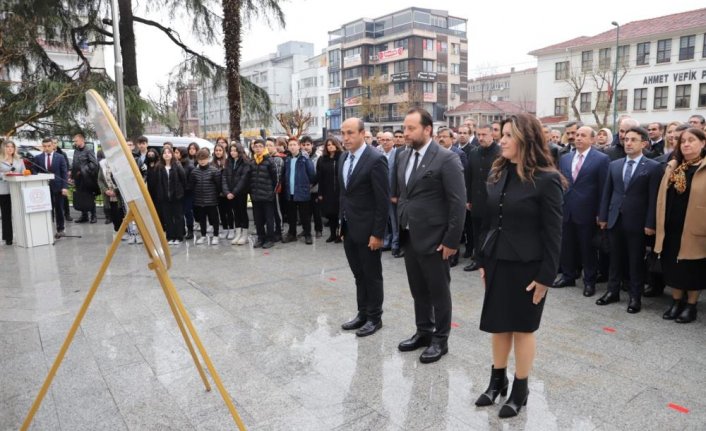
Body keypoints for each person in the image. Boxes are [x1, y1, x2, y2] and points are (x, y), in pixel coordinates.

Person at [474, 113, 563, 419]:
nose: (502, 140)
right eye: (502, 134)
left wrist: (546, 278)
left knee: (523, 329)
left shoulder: (547, 179)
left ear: (526, 139)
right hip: (498, 260)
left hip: (529, 268)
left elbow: (554, 234)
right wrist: (484, 260)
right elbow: (489, 222)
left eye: (509, 135)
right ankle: (497, 381)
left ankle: (520, 390)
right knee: (498, 325)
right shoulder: (499, 173)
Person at [396, 108, 466, 364]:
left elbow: (458, 203)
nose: (406, 133)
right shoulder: (403, 156)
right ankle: (423, 331)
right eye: (405, 128)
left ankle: (440, 339)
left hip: (436, 239)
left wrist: (451, 241)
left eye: (411, 128)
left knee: (439, 291)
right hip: (409, 235)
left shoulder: (446, 159)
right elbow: (404, 194)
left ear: (428, 130)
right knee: (418, 290)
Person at [596, 127, 661, 313]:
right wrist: (603, 217)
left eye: (633, 139)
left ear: (644, 144)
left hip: (637, 222)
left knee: (635, 261)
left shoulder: (652, 167)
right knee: (614, 258)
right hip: (615, 219)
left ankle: (635, 297)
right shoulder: (614, 165)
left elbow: (653, 198)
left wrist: (650, 223)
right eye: (626, 139)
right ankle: (612, 291)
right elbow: (607, 193)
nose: (628, 143)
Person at [338, 118, 390, 337]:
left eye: (350, 133)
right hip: (350, 228)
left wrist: (378, 234)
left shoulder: (376, 159)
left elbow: (382, 201)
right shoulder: (343, 157)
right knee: (358, 274)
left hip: (369, 231)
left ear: (362, 133)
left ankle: (375, 317)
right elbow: (345, 194)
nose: (346, 138)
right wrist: (342, 224)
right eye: (343, 133)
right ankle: (362, 313)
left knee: (372, 275)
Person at [654, 128, 706, 324]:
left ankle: (691, 306)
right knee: (673, 265)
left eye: (691, 140)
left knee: (693, 268)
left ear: (703, 143)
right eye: (683, 141)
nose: (685, 144)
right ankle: (676, 302)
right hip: (672, 227)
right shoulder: (674, 167)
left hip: (696, 229)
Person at [554, 126, 610, 297]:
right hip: (567, 209)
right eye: (577, 135)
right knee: (567, 246)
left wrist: (601, 214)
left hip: (588, 211)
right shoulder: (565, 158)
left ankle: (589, 281)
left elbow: (604, 188)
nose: (578, 138)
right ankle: (568, 275)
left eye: (583, 135)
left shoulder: (601, 159)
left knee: (587, 249)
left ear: (592, 140)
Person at [465, 124, 500, 272]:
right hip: (476, 201)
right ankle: (478, 260)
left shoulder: (500, 153)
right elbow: (469, 177)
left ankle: (492, 260)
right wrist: (468, 199)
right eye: (478, 135)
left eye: (484, 135)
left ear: (492, 135)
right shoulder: (473, 152)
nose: (481, 138)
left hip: (494, 201)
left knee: (493, 232)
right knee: (477, 231)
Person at [437, 127, 467, 268]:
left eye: (445, 136)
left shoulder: (458, 154)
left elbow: (463, 176)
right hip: (440, 198)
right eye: (439, 136)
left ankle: (454, 256)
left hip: (453, 196)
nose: (441, 139)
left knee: (454, 225)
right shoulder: (435, 153)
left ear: (452, 139)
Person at [281, 137, 316, 245]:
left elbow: (312, 175)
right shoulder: (287, 159)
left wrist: (307, 186)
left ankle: (307, 234)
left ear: (299, 146)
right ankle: (292, 234)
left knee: (304, 215)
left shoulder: (304, 158)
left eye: (294, 145)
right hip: (289, 192)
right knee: (291, 216)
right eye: (290, 145)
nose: (292, 147)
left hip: (302, 192)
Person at [34, 138, 69, 238]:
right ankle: (48, 229)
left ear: (53, 146)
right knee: (47, 209)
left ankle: (60, 229)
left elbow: (64, 173)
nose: (47, 148)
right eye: (44, 146)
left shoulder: (60, 157)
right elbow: (34, 170)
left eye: (49, 146)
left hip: (58, 187)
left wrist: (64, 187)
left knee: (59, 208)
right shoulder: (38, 158)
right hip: (43, 187)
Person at [153, 147, 186, 245]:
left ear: (172, 154)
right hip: (164, 197)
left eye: (169, 152)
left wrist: (180, 192)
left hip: (176, 196)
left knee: (178, 217)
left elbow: (183, 180)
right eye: (164, 153)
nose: (166, 154)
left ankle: (179, 237)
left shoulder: (177, 165)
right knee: (167, 217)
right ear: (162, 155)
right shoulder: (158, 167)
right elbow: (156, 182)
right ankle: (170, 236)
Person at [249, 139, 278, 248]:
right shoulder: (252, 162)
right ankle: (261, 238)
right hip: (256, 196)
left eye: (260, 146)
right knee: (258, 219)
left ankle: (270, 239)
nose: (258, 148)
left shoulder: (270, 161)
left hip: (267, 196)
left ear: (264, 148)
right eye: (256, 146)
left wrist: (272, 192)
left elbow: (276, 179)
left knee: (269, 218)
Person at [0, 140, 29, 245]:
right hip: (4, 191)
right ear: (3, 148)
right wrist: (4, 174)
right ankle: (8, 238)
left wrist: (26, 173)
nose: (10, 149)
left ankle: (22, 236)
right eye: (7, 147)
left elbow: (24, 171)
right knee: (6, 215)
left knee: (19, 213)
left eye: (12, 147)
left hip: (17, 190)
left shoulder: (19, 160)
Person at [190, 149, 221, 245]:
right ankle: (203, 235)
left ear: (208, 158)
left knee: (214, 219)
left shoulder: (214, 171)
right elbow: (192, 186)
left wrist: (216, 197)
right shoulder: (194, 172)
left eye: (204, 158)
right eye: (200, 159)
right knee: (202, 219)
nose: (202, 161)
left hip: (212, 200)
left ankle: (216, 236)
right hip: (199, 200)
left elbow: (218, 185)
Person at [222, 142, 251, 246]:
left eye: (235, 150)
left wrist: (234, 192)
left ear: (239, 151)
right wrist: (227, 192)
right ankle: (238, 234)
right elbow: (224, 178)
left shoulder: (245, 162)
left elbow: (244, 179)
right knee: (235, 213)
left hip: (240, 193)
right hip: (230, 193)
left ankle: (245, 235)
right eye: (231, 150)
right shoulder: (228, 162)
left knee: (242, 212)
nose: (233, 152)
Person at [316, 137, 343, 243]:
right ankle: (332, 234)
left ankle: (340, 234)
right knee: (331, 214)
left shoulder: (342, 157)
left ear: (337, 145)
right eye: (328, 145)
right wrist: (320, 193)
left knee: (339, 214)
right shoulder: (322, 159)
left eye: (332, 144)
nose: (330, 146)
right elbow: (320, 177)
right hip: (327, 191)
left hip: (339, 191)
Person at [70, 133, 99, 224]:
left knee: (89, 197)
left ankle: (93, 216)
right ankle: (84, 216)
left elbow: (94, 164)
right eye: (74, 141)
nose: (75, 142)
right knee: (81, 197)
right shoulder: (76, 151)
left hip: (87, 179)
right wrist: (72, 175)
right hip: (78, 179)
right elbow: (74, 164)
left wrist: (82, 170)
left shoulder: (89, 150)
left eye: (76, 140)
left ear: (82, 140)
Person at [97, 158, 125, 240]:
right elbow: (100, 180)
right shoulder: (103, 165)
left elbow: (122, 179)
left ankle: (124, 232)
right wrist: (106, 190)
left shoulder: (119, 164)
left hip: (119, 195)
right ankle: (117, 231)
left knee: (120, 213)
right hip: (108, 194)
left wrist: (115, 191)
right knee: (113, 214)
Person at [301, 136, 323, 238]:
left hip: (315, 189)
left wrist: (312, 184)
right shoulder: (300, 156)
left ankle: (318, 230)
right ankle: (305, 230)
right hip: (304, 190)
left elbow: (319, 174)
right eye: (304, 145)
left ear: (312, 145)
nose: (306, 147)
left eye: (308, 145)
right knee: (305, 212)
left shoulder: (318, 157)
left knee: (316, 211)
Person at [210, 144, 233, 240]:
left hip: (227, 192)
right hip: (217, 193)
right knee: (221, 212)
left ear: (223, 151)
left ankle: (231, 229)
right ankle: (225, 229)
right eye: (216, 150)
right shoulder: (212, 163)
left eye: (220, 150)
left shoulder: (227, 162)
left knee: (229, 211)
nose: (218, 152)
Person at [174, 147, 196, 240]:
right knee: (179, 213)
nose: (175, 154)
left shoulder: (189, 165)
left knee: (188, 212)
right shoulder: (175, 164)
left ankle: (190, 230)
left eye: (177, 152)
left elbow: (192, 181)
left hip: (187, 193)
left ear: (182, 153)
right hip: (178, 193)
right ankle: (181, 230)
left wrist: (185, 189)